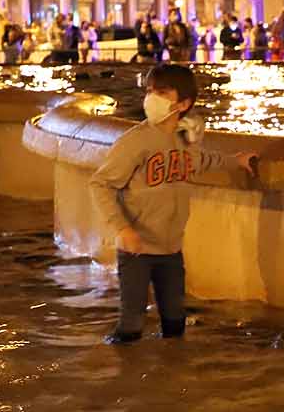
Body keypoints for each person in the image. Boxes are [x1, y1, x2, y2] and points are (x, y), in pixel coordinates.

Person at [87, 64, 256, 345]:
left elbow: (201, 161)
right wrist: (123, 229)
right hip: (136, 251)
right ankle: (120, 378)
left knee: (175, 325)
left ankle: (168, 379)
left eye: (162, 92)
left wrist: (235, 161)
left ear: (183, 103)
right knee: (131, 327)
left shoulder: (185, 139)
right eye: (151, 91)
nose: (152, 97)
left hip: (171, 250)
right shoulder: (135, 141)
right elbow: (100, 183)